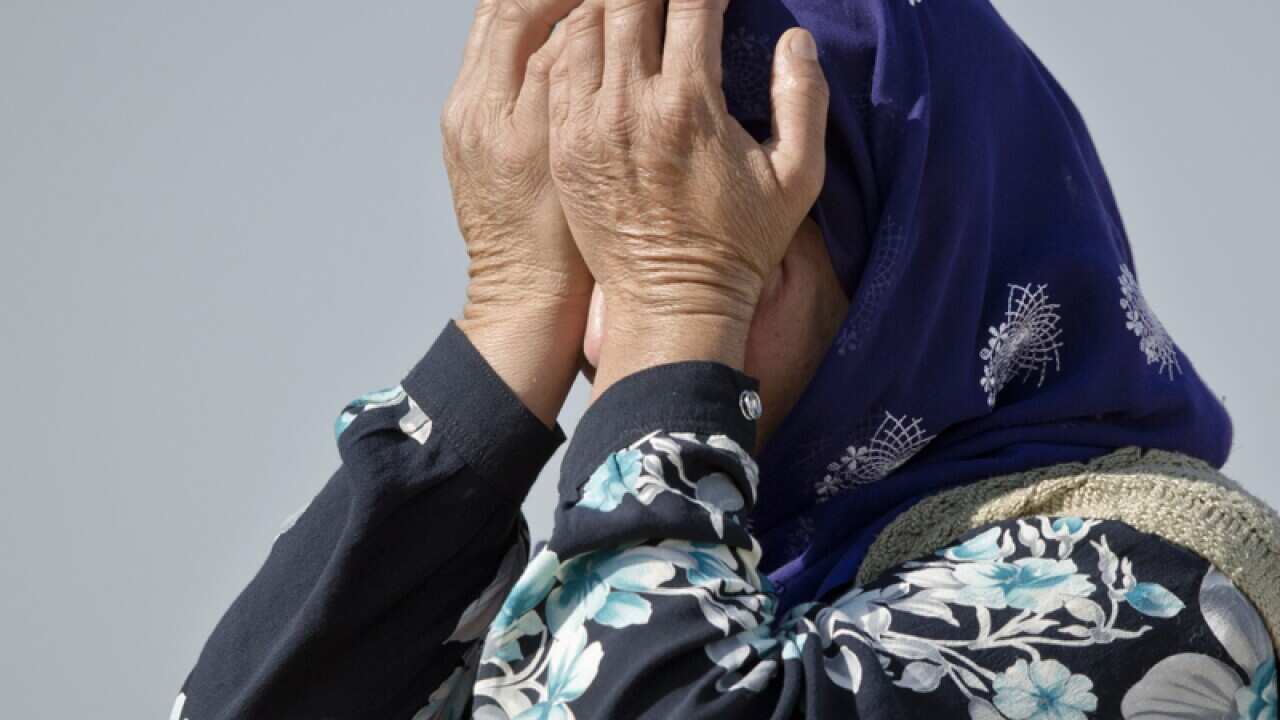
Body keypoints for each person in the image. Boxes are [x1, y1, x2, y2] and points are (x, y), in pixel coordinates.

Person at [172, 0, 1280, 718]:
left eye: (713, 252)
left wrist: (675, 297)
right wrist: (509, 312)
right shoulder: (672, 577)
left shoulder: (1160, 588)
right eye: (585, 262)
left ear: (911, 265)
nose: (608, 348)